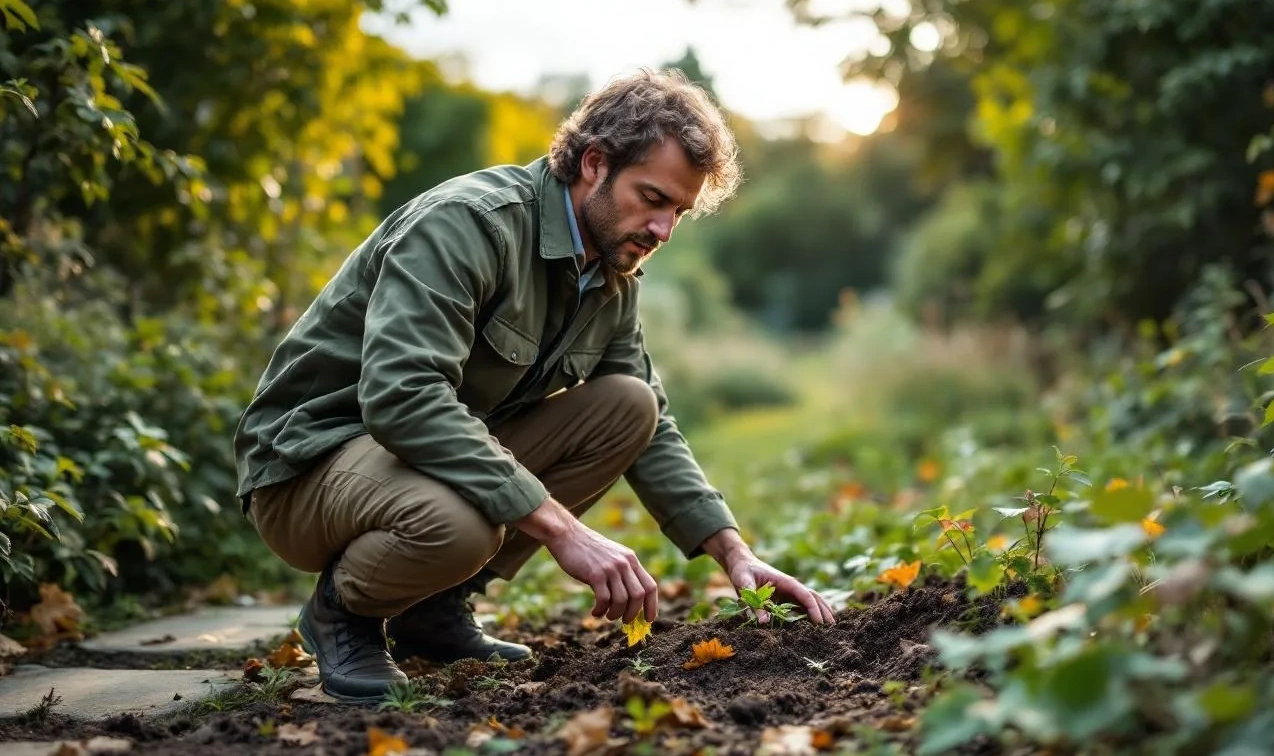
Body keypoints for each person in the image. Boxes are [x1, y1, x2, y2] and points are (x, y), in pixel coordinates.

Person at [232, 68, 836, 703]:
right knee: (461, 526)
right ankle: (342, 615)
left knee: (629, 406)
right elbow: (403, 396)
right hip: (307, 465)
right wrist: (561, 530)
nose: (663, 230)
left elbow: (648, 417)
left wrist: (734, 553)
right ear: (594, 164)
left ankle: (431, 611)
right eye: (653, 198)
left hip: (408, 462)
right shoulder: (468, 224)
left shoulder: (609, 271)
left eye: (679, 212)